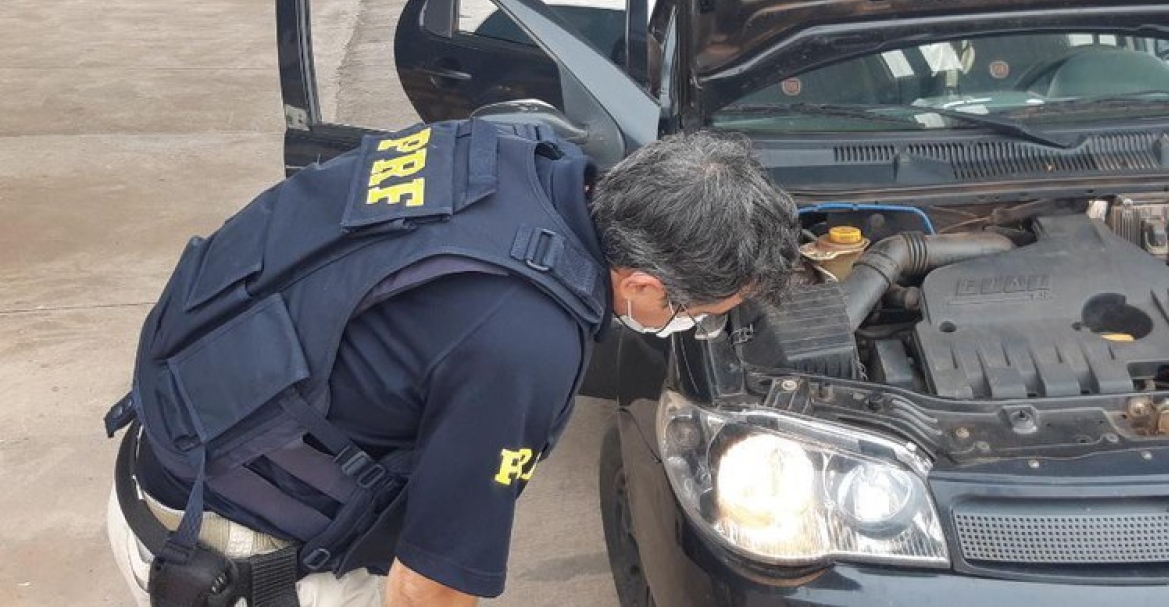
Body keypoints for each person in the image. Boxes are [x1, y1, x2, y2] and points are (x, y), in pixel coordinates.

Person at [104, 119, 799, 607]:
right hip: (233, 560)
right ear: (645, 286)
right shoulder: (526, 342)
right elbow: (429, 586)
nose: (698, 323)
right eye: (701, 310)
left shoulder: (510, 153)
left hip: (176, 437)